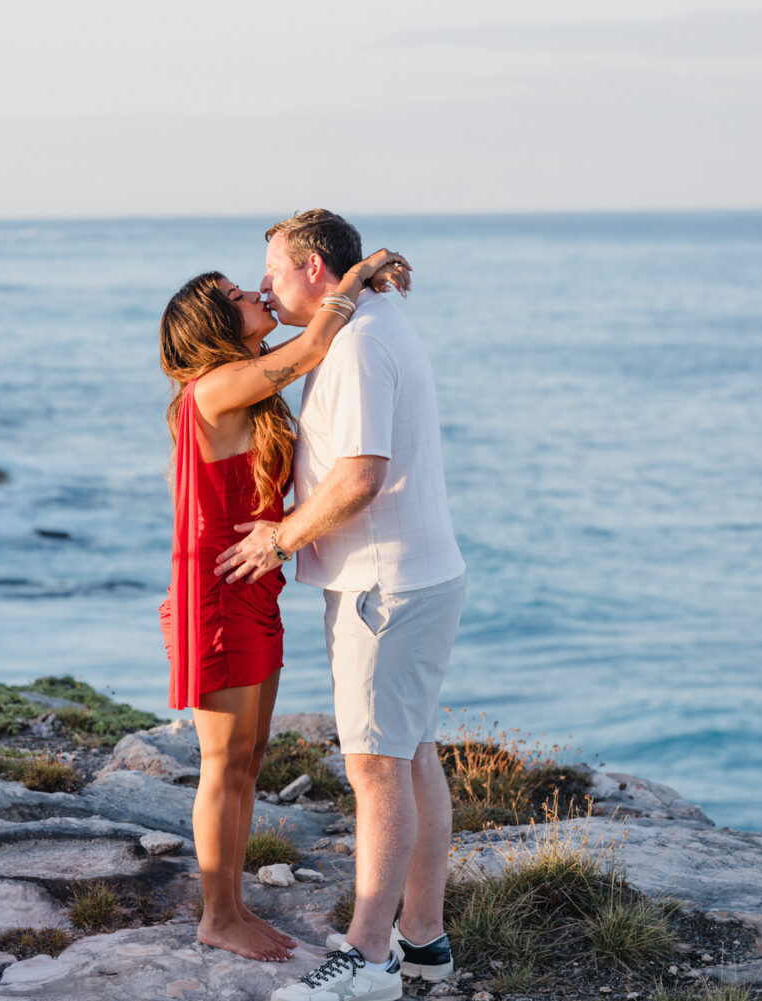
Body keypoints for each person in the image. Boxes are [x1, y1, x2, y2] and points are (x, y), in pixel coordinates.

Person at [214, 210, 466, 1001]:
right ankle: (422, 941)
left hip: (380, 586)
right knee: (412, 753)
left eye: (275, 273)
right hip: (416, 575)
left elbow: (359, 477)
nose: (264, 285)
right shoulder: (371, 316)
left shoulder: (356, 344)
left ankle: (368, 957)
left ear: (316, 269)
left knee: (376, 766)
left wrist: (279, 540)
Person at [158, 247, 410, 963]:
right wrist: (352, 280)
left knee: (248, 758)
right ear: (213, 322)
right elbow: (309, 349)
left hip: (248, 591)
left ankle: (231, 904)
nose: (257, 293)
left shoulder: (239, 393)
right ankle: (218, 914)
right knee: (224, 762)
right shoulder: (212, 389)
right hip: (217, 599)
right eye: (238, 294)